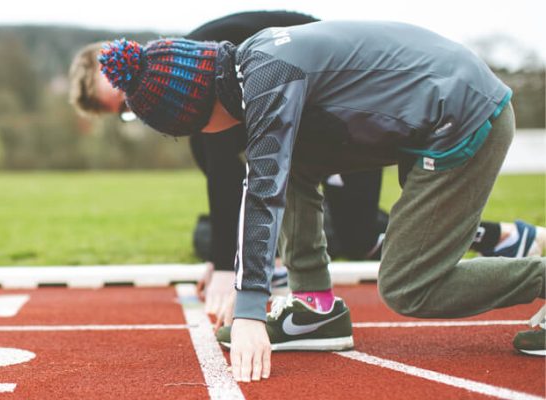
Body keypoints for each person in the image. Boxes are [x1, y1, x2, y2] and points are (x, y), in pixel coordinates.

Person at [97, 20, 546, 382]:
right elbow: (274, 170)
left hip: (465, 118)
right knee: (287, 162)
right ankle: (315, 309)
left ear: (198, 112)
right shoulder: (254, 62)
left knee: (411, 285)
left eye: (185, 130)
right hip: (433, 110)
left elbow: (263, 190)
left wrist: (251, 308)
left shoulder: (269, 78)